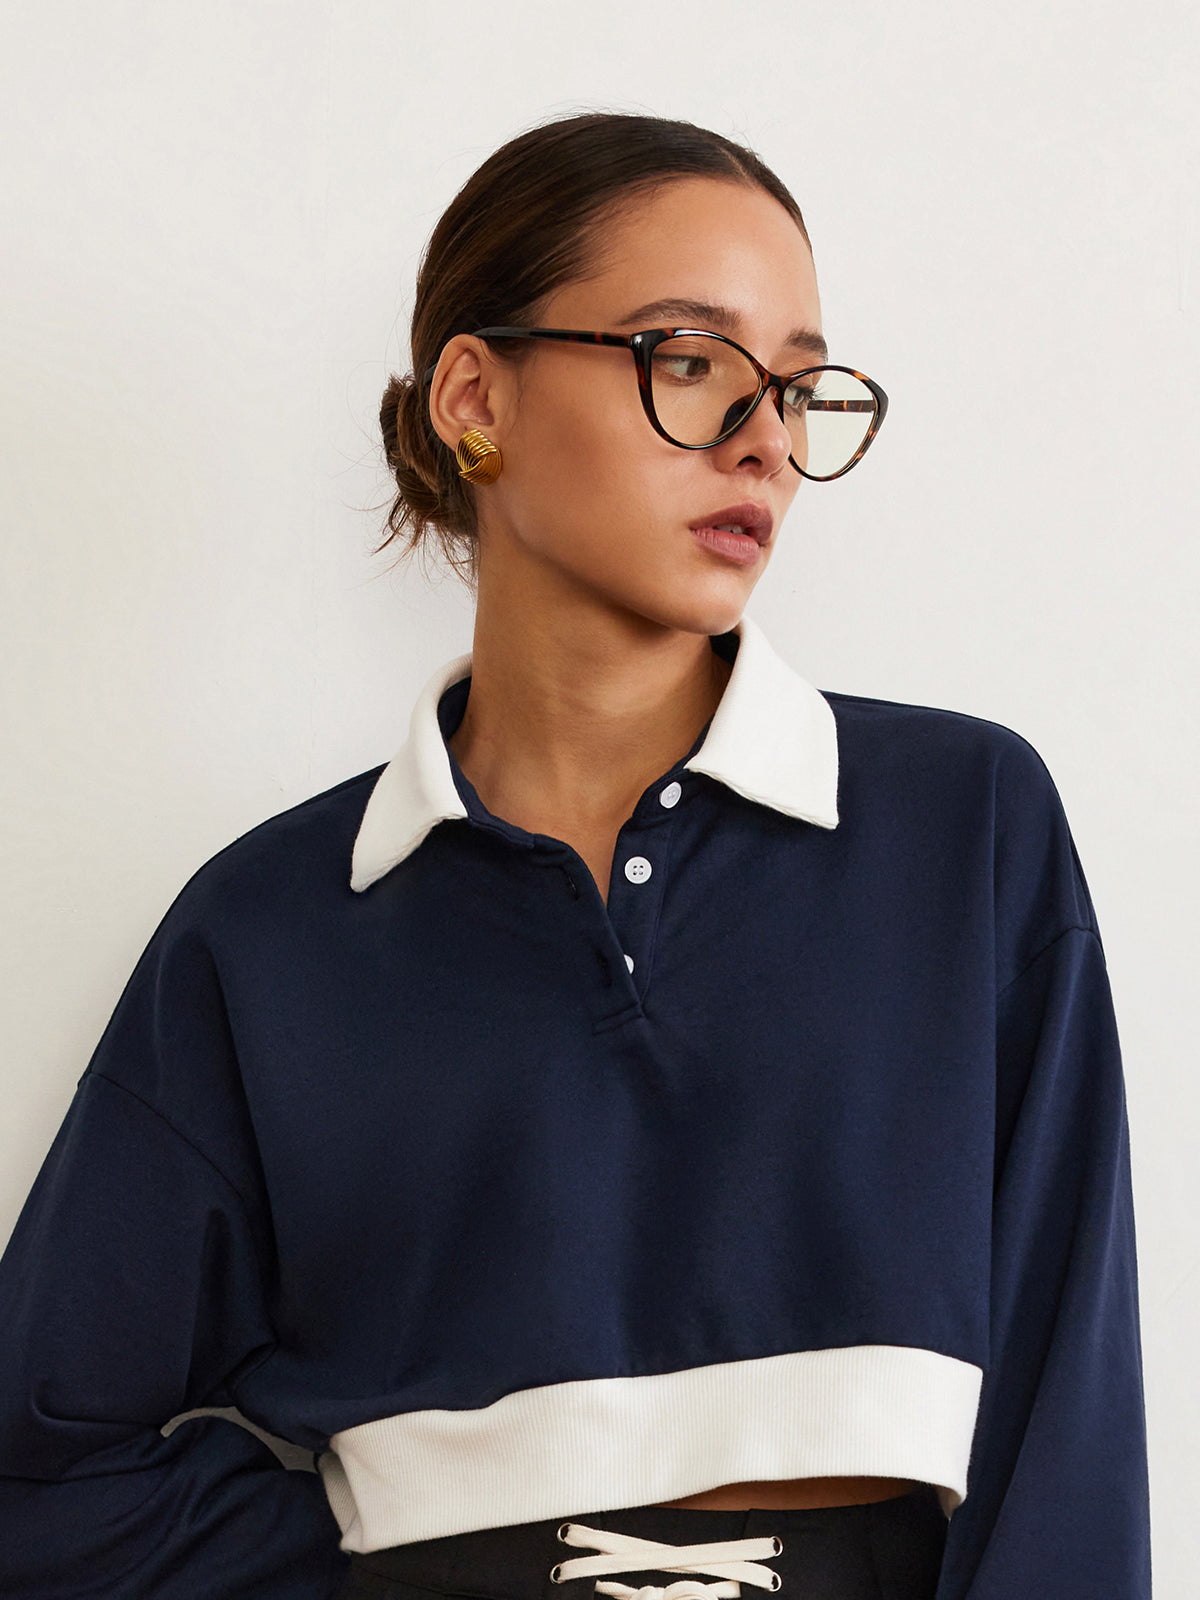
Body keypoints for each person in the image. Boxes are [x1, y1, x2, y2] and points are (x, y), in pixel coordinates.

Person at [0, 112, 1149, 1600]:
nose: (766, 440)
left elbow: (1070, 1427)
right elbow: (38, 1472)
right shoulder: (271, 930)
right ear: (475, 397)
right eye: (692, 360)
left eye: (800, 386)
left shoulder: (961, 826)